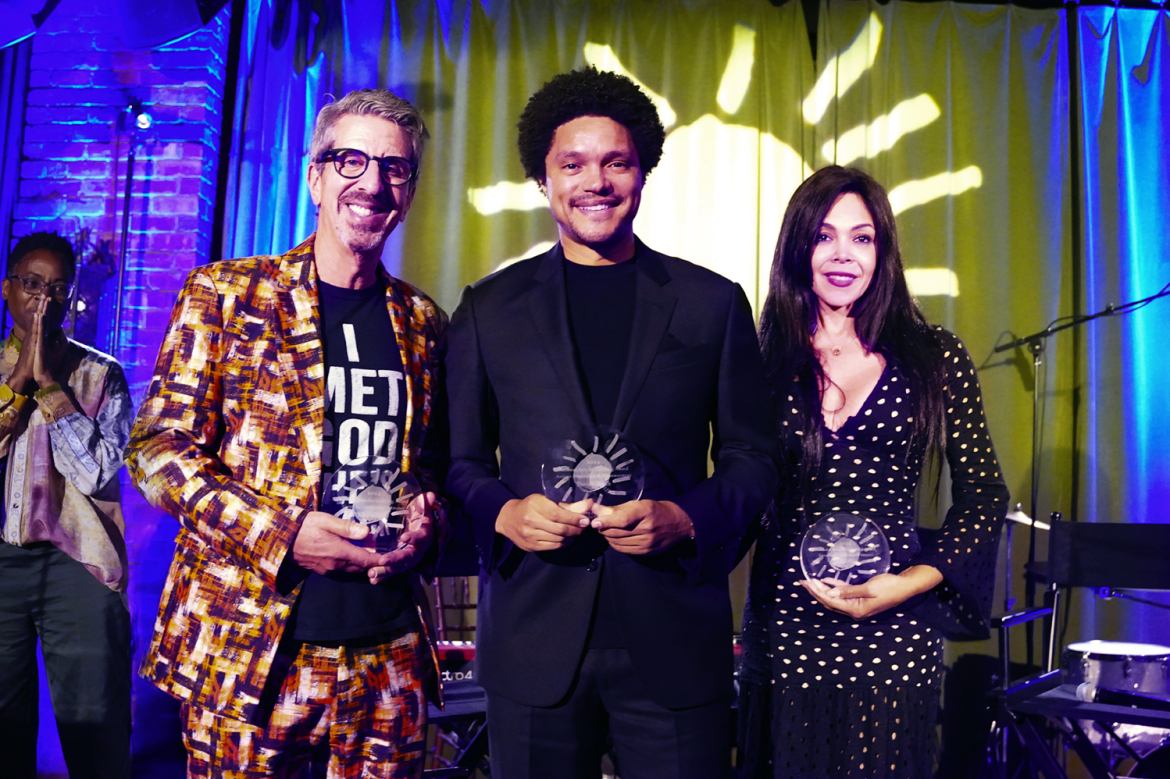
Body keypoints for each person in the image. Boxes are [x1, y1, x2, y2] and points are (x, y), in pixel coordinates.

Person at [446, 67, 779, 779]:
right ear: (544, 180)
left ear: (642, 172)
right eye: (573, 164)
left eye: (615, 162)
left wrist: (685, 518)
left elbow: (755, 459)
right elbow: (460, 462)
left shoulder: (711, 304)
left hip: (674, 639)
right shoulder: (489, 308)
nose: (594, 180)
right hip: (533, 640)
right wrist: (506, 514)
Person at [126, 89, 448, 778]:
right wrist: (283, 533)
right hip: (251, 654)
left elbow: (431, 468)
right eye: (351, 160)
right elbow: (155, 451)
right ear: (314, 176)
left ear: (411, 188)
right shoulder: (226, 295)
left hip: (387, 659)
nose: (372, 182)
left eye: (394, 167)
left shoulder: (423, 321)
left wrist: (427, 520)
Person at [737, 165, 1009, 778]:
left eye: (862, 238)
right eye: (824, 236)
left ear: (882, 250)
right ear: (798, 246)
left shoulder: (934, 354)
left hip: (894, 626)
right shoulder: (761, 358)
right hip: (786, 624)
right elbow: (733, 489)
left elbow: (986, 494)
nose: (842, 256)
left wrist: (911, 581)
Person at [0, 231, 133, 779]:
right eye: (32, 285)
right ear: (7, 290)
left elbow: (98, 472)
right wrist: (15, 389)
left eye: (57, 288)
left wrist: (52, 390)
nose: (43, 300)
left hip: (77, 565)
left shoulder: (102, 376)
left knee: (94, 735)